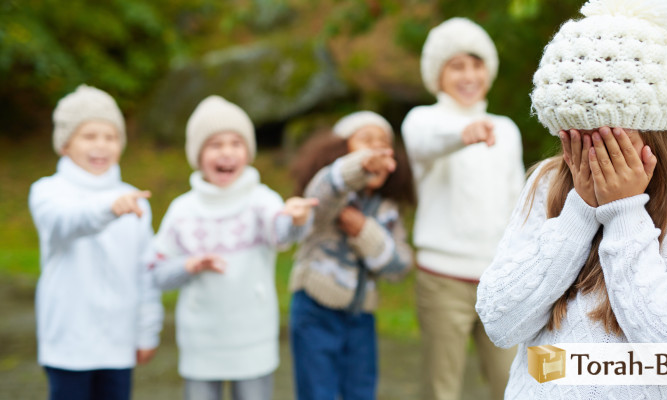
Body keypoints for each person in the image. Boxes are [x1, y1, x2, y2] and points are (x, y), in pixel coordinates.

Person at [476, 0, 667, 398]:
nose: (591, 154)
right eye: (575, 135)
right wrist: (580, 211)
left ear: (656, 124)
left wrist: (624, 212)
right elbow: (501, 322)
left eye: (608, 136)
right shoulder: (548, 180)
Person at [150, 95, 317, 400]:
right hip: (201, 341)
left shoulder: (261, 200)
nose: (227, 152)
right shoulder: (182, 210)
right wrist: (188, 265)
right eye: (215, 145)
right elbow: (158, 272)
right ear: (198, 155)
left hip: (253, 338)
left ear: (248, 152)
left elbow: (283, 232)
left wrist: (298, 219)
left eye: (236, 143)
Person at [401, 17, 524, 400]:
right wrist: (462, 134)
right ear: (437, 74)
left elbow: (517, 203)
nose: (469, 75)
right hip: (443, 280)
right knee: (442, 389)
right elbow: (425, 144)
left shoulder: (506, 129)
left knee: (513, 383)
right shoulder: (423, 120)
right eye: (456, 66)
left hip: (499, 280)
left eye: (476, 64)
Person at [28, 84, 163, 400]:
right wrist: (108, 208)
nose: (101, 145)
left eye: (111, 136)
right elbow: (66, 222)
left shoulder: (135, 201)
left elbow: (147, 270)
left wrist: (147, 331)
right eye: (89, 136)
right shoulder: (48, 192)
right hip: (68, 346)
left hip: (118, 344)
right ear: (65, 144)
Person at [288, 111, 414, 400]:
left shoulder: (387, 209)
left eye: (384, 143)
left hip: (361, 318)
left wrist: (364, 232)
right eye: (366, 140)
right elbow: (324, 189)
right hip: (315, 309)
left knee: (361, 391)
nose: (377, 148)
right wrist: (359, 165)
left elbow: (400, 266)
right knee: (317, 392)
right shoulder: (328, 195)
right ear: (341, 150)